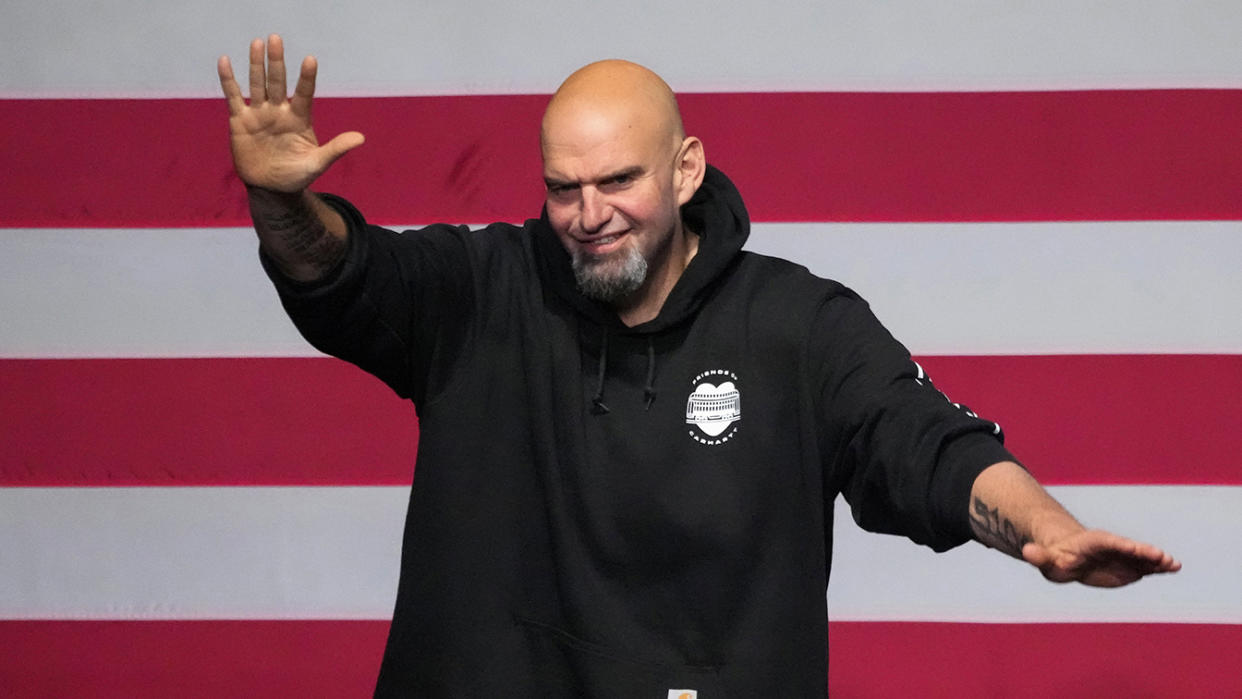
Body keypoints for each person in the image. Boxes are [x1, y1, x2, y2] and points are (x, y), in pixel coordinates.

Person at [218, 35, 1181, 697]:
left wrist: (1047, 532)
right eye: (563, 188)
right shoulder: (481, 291)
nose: (588, 213)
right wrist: (278, 204)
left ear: (685, 169)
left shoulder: (795, 324)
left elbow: (925, 441)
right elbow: (342, 271)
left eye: (619, 180)